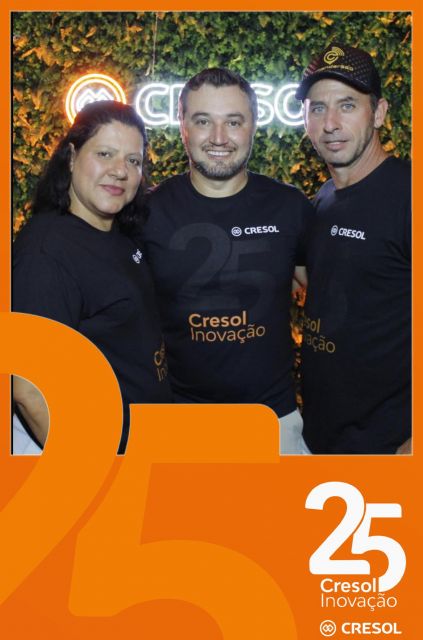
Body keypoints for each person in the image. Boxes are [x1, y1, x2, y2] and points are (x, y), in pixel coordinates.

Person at [142, 67, 314, 454]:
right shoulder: (146, 213)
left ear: (253, 125)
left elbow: (330, 296)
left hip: (272, 420)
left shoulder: (290, 207)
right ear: (183, 124)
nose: (219, 138)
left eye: (233, 122)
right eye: (203, 121)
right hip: (177, 421)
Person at [13, 101, 173, 454]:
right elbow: (29, 389)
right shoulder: (46, 251)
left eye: (133, 161)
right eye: (105, 154)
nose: (120, 171)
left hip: (143, 444)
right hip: (101, 457)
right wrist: (98, 467)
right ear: (71, 157)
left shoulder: (120, 232)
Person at [295, 42, 411, 454]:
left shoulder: (409, 195)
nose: (330, 124)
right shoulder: (324, 197)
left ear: (378, 113)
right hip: (322, 439)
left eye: (347, 105)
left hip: (387, 448)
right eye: (317, 108)